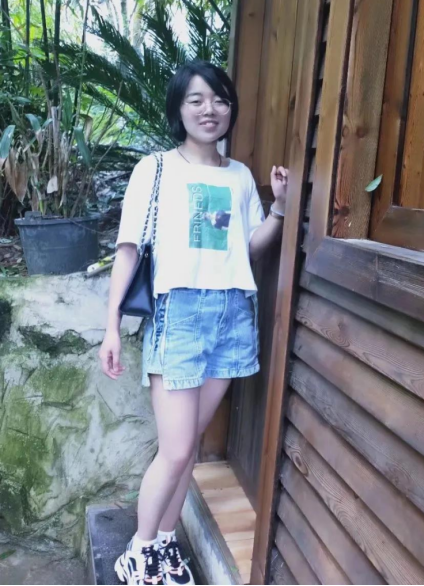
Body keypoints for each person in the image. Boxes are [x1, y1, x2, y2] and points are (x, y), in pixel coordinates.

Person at [98, 61, 288, 585]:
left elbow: (250, 247)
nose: (210, 109)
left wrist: (279, 208)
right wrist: (112, 326)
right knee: (178, 448)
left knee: (188, 447)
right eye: (197, 100)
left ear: (231, 109)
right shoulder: (155, 168)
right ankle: (138, 550)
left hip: (232, 313)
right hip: (178, 312)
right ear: (178, 109)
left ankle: (163, 541)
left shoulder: (240, 175)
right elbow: (129, 249)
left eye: (220, 99)